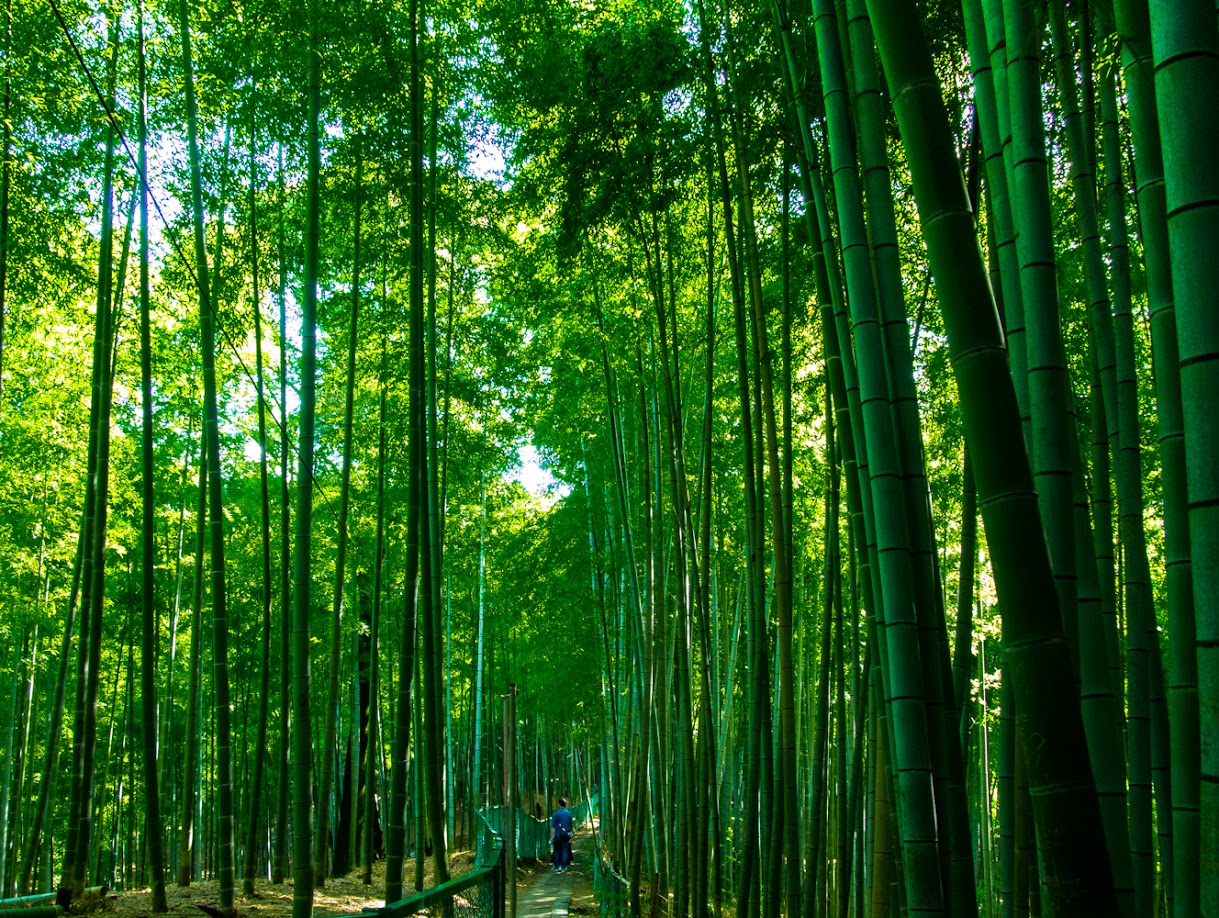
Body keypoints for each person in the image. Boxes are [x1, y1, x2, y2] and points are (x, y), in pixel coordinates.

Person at [550, 797, 574, 872]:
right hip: (566, 835)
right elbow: (570, 826)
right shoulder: (569, 813)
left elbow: (553, 827)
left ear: (558, 804)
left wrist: (552, 837)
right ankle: (563, 867)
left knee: (556, 850)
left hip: (557, 834)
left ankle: (557, 866)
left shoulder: (555, 814)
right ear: (565, 804)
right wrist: (571, 836)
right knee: (564, 850)